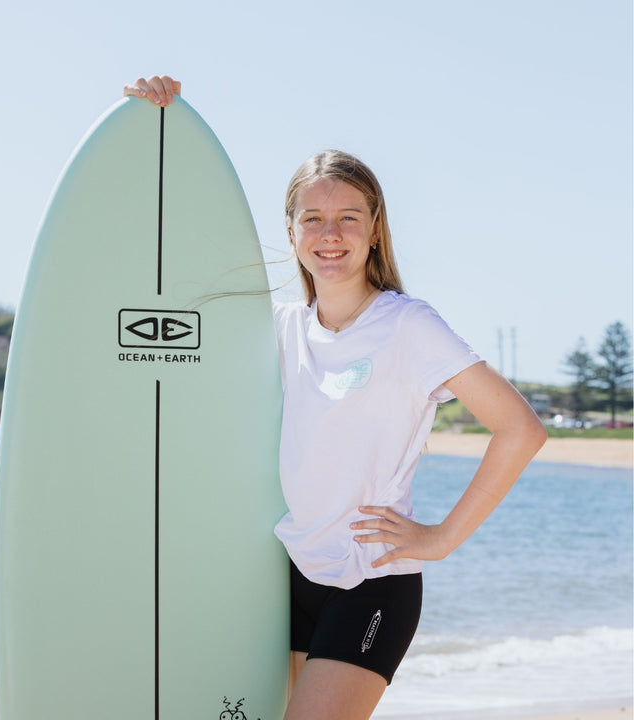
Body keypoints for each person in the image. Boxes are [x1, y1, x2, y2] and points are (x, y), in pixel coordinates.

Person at [124, 75, 548, 720]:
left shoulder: (408, 325)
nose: (331, 233)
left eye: (349, 217)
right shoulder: (281, 329)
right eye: (313, 218)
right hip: (288, 575)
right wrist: (157, 133)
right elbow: (171, 277)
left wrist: (441, 539)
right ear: (291, 231)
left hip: (371, 581)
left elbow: (520, 430)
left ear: (375, 230)